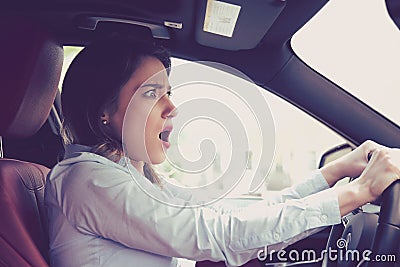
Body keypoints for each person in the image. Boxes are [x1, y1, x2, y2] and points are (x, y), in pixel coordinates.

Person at [44, 39, 400, 267]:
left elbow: (223, 214)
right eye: (152, 94)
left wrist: (331, 177)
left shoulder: (128, 176)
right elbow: (215, 234)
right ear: (102, 111)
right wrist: (357, 192)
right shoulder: (88, 179)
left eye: (168, 91)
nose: (172, 107)